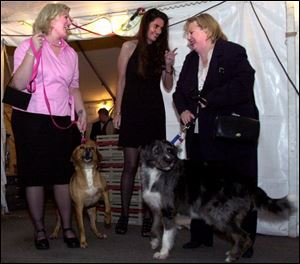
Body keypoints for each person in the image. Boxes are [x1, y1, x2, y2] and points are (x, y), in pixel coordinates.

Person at [173, 13, 259, 258]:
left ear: (207, 31)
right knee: (200, 187)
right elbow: (179, 93)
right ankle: (200, 236)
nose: (188, 38)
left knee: (238, 187)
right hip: (200, 136)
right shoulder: (190, 60)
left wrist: (210, 99)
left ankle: (246, 241)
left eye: (192, 32)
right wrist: (184, 110)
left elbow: (244, 83)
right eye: (188, 33)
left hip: (229, 135)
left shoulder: (232, 52)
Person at [11, 3, 87, 250]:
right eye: (66, 16)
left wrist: (81, 109)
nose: (69, 21)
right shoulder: (26, 46)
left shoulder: (71, 53)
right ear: (50, 19)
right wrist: (33, 51)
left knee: (62, 175)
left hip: (61, 120)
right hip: (30, 119)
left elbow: (73, 85)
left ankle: (67, 228)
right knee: (33, 176)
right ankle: (40, 231)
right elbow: (19, 83)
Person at [112, 8, 177, 237]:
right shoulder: (128, 47)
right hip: (131, 110)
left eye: (161, 28)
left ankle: (149, 219)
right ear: (146, 24)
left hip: (153, 113)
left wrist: (169, 66)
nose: (158, 32)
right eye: (155, 26)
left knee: (150, 169)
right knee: (129, 166)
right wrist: (117, 110)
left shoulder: (162, 53)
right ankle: (124, 216)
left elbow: (168, 86)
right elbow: (121, 81)